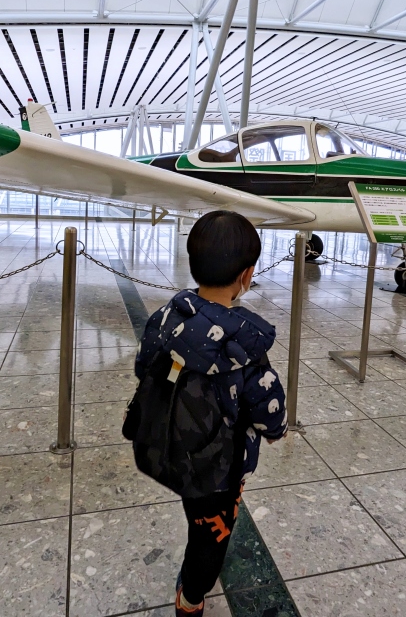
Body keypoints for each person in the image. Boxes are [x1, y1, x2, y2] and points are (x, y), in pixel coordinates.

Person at [133, 210, 288, 617]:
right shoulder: (245, 343)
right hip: (220, 467)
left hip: (172, 445)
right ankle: (192, 597)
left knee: (193, 507)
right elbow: (267, 402)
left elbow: (143, 366)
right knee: (210, 538)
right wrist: (276, 429)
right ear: (247, 275)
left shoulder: (167, 317)